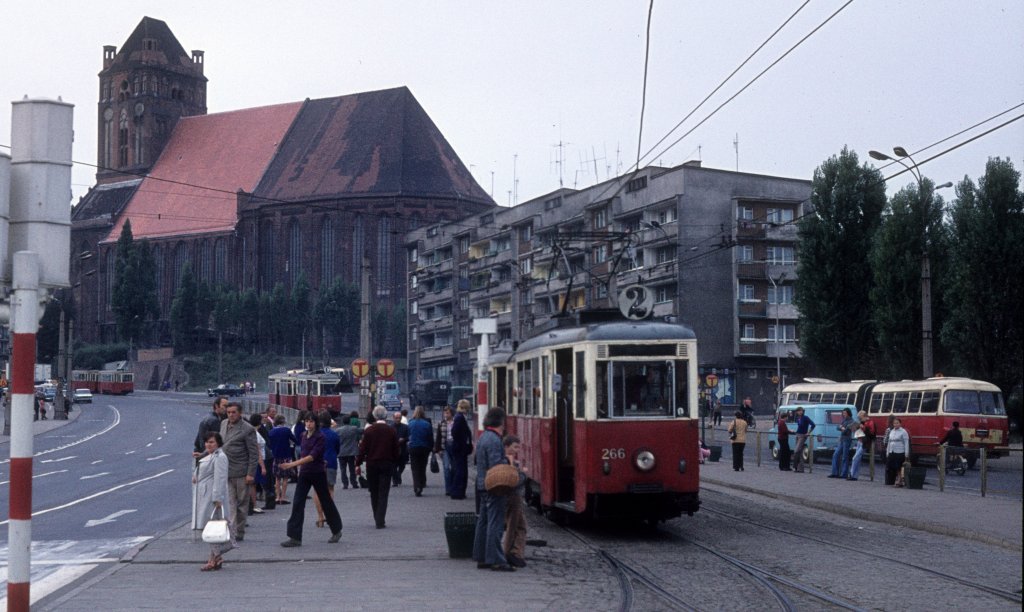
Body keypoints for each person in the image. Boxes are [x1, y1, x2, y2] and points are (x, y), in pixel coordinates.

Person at [279, 413, 344, 547]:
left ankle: (336, 529)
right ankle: (294, 537)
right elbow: (303, 453)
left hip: (317, 473)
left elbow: (311, 456)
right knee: (298, 502)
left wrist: (292, 465)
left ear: (316, 423)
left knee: (326, 501)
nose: (308, 424)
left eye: (311, 422)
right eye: (306, 422)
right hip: (305, 473)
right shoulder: (303, 436)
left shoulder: (320, 437)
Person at [473, 408, 513, 571]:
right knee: (494, 523)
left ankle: (481, 556)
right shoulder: (495, 440)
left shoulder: (483, 437)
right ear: (501, 421)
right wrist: (508, 463)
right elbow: (497, 465)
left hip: (482, 484)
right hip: (494, 486)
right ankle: (496, 559)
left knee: (483, 522)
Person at [193, 432, 233, 571]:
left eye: (211, 442)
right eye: (207, 442)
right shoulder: (211, 455)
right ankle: (214, 558)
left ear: (218, 443)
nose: (208, 445)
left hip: (212, 497)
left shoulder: (220, 457)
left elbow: (220, 478)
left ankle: (215, 557)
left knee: (211, 528)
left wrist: (217, 498)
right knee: (211, 527)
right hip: (206, 495)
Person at [219, 402, 258, 542]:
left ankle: (239, 531)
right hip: (226, 471)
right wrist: (203, 454)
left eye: (233, 412)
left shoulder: (247, 429)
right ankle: (232, 531)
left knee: (242, 504)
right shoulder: (223, 424)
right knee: (230, 503)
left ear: (240, 413)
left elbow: (253, 453)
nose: (230, 415)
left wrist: (250, 473)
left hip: (242, 471)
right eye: (228, 412)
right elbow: (219, 445)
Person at [357, 406, 400, 529]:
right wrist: (394, 461)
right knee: (383, 492)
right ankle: (380, 519)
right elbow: (396, 448)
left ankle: (376, 515)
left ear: (375, 416)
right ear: (385, 416)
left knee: (374, 492)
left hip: (372, 464)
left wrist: (358, 462)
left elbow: (362, 449)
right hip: (387, 464)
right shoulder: (391, 430)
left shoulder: (369, 431)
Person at [502, 434, 528, 568]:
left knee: (518, 526)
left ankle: (515, 553)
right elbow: (513, 481)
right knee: (515, 526)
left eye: (519, 447)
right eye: (515, 447)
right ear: (507, 447)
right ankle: (512, 554)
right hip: (513, 496)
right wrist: (523, 473)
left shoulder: (508, 459)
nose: (517, 450)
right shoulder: (508, 460)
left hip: (512, 496)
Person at [311, 412, 341, 528]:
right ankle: (329, 515)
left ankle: (320, 517)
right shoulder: (334, 435)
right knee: (330, 489)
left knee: (317, 491)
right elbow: (337, 449)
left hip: (316, 464)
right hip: (331, 463)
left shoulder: (315, 434)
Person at [268, 415, 296, 505]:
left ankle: (277, 497)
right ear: (283, 421)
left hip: (275, 456)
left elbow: (269, 443)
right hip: (286, 455)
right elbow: (294, 440)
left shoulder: (271, 432)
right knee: (285, 478)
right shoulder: (286, 430)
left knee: (277, 478)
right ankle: (283, 497)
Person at [449, 400, 474, 499]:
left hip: (460, 447)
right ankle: (457, 492)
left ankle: (458, 491)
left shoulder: (459, 417)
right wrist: (462, 440)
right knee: (460, 470)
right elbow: (454, 431)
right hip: (460, 448)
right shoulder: (460, 418)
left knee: (461, 470)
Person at [407, 406, 433, 496]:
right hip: (424, 447)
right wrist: (431, 448)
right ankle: (422, 483)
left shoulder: (410, 423)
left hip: (413, 447)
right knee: (422, 466)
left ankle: (417, 486)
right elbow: (430, 437)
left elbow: (408, 436)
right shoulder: (427, 424)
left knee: (415, 468)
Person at [246, 413, 268, 515]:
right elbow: (257, 451)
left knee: (253, 484)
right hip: (257, 462)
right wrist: (262, 466)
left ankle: (252, 504)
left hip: (257, 461)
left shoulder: (254, 432)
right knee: (253, 484)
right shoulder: (254, 433)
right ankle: (253, 505)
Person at [829, 408, 856, 479]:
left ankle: (844, 474)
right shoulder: (844, 420)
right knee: (835, 455)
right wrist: (842, 428)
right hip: (842, 440)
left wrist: (842, 428)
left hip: (847, 440)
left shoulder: (852, 421)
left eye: (845, 413)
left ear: (848, 413)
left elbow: (846, 431)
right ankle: (834, 473)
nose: (844, 414)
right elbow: (837, 427)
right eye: (843, 413)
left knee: (845, 457)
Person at [337, 412, 361, 490]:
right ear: (349, 421)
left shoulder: (338, 430)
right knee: (352, 469)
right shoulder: (354, 429)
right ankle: (354, 483)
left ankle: (345, 484)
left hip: (341, 452)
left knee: (343, 469)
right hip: (351, 452)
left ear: (343, 422)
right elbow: (363, 431)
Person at [848, 411, 874, 481]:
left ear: (865, 416)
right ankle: (855, 476)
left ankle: (852, 474)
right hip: (860, 441)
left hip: (865, 442)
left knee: (855, 458)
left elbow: (872, 433)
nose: (860, 419)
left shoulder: (870, 422)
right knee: (857, 459)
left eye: (861, 418)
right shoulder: (864, 422)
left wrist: (863, 428)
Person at [434, 406, 455, 496]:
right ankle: (448, 489)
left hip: (454, 447)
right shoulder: (441, 423)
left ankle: (454, 486)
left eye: (448, 413)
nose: (446, 414)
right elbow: (438, 437)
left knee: (454, 468)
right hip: (445, 446)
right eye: (445, 413)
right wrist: (438, 449)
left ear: (451, 414)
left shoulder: (455, 423)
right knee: (446, 468)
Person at [885, 417, 911, 486]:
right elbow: (889, 442)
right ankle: (898, 480)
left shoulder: (903, 432)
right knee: (893, 466)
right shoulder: (892, 431)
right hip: (892, 451)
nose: (895, 425)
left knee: (898, 466)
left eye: (897, 423)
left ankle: (899, 480)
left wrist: (906, 453)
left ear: (900, 424)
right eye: (894, 423)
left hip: (900, 451)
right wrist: (887, 452)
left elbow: (906, 443)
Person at [792, 407, 815, 473]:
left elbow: (813, 425)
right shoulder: (798, 418)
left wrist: (808, 432)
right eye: (798, 411)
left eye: (800, 411)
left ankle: (795, 466)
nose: (799, 412)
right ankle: (800, 468)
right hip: (798, 434)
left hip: (803, 435)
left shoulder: (805, 417)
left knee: (796, 450)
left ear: (802, 411)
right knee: (799, 451)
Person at [390, 411, 411, 486]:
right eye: (396, 418)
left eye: (399, 418)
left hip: (403, 448)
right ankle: (395, 480)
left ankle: (398, 474)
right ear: (393, 418)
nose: (398, 419)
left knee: (402, 464)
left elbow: (409, 437)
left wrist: (404, 439)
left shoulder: (405, 427)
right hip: (393, 449)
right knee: (393, 465)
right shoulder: (390, 427)